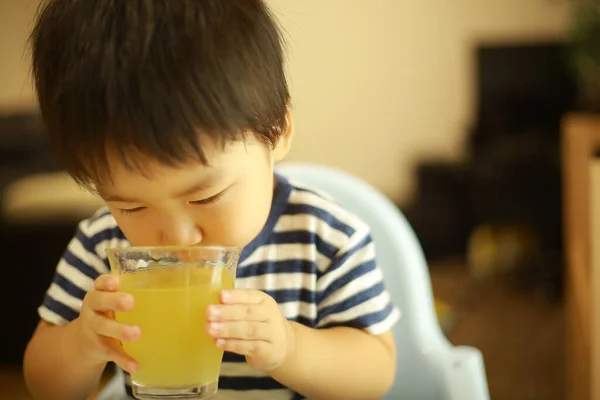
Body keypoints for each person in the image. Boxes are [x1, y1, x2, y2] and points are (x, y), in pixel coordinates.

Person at [23, 1, 400, 399]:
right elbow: (44, 385)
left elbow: (376, 373)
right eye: (131, 207)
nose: (176, 237)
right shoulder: (104, 243)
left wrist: (290, 347)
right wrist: (82, 343)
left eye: (206, 196)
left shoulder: (325, 238)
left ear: (277, 131)